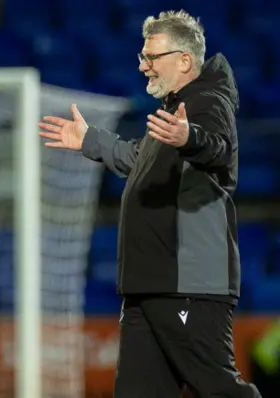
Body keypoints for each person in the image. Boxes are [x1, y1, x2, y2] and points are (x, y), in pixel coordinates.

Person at [39, 10, 261, 398]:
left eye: (151, 57)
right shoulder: (173, 111)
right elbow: (136, 156)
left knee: (221, 390)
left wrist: (189, 137)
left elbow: (219, 149)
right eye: (142, 57)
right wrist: (90, 140)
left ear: (184, 60)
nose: (143, 66)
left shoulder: (206, 102)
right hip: (148, 285)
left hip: (186, 283)